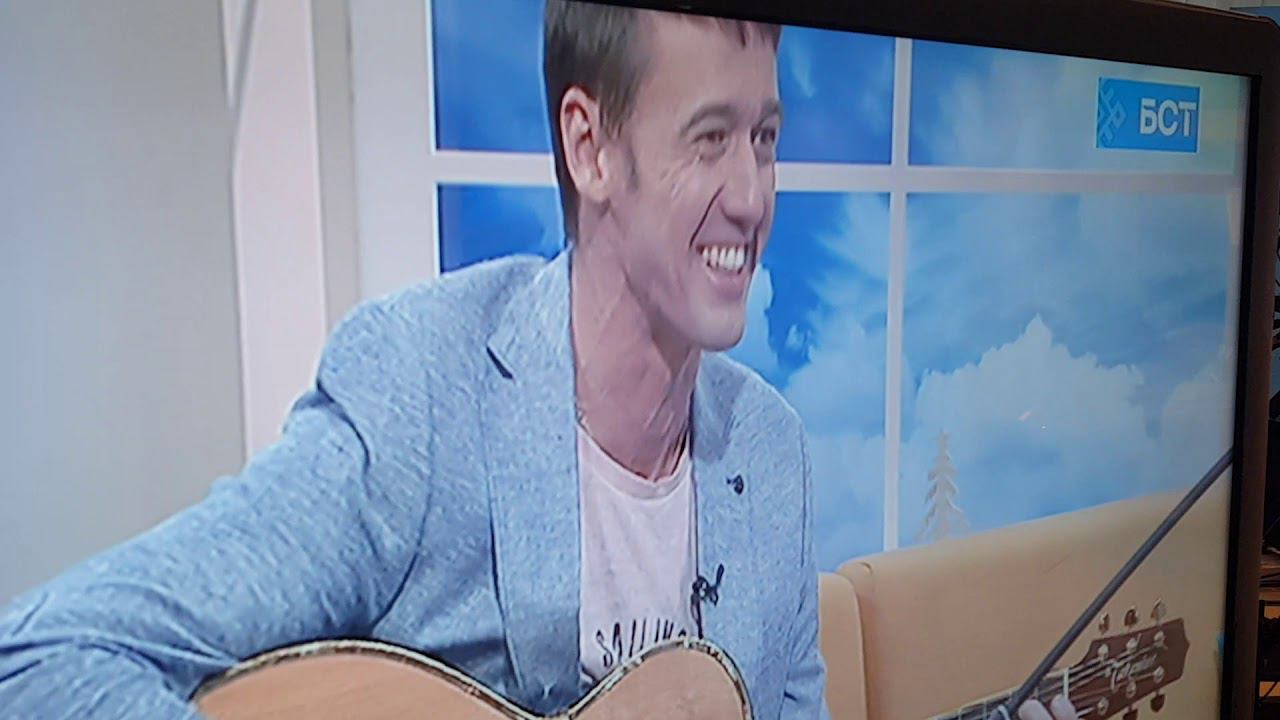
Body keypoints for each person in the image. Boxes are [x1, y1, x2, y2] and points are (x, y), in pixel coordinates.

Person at [0, 3, 1074, 719]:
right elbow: (40, 661)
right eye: (710, 138)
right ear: (588, 145)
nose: (752, 197)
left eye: (764, 138)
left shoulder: (772, 453)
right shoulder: (421, 393)